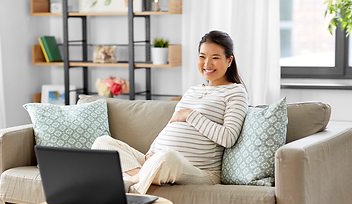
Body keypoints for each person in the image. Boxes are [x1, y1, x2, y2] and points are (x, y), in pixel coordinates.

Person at [92, 30, 248, 194]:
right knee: (102, 143)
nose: (207, 63)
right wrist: (151, 152)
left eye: (215, 58)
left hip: (199, 171)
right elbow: (171, 126)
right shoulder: (192, 91)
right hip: (158, 161)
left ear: (229, 60)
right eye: (202, 56)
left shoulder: (235, 92)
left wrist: (190, 115)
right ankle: (143, 176)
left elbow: (228, 137)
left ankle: (129, 183)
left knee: (168, 157)